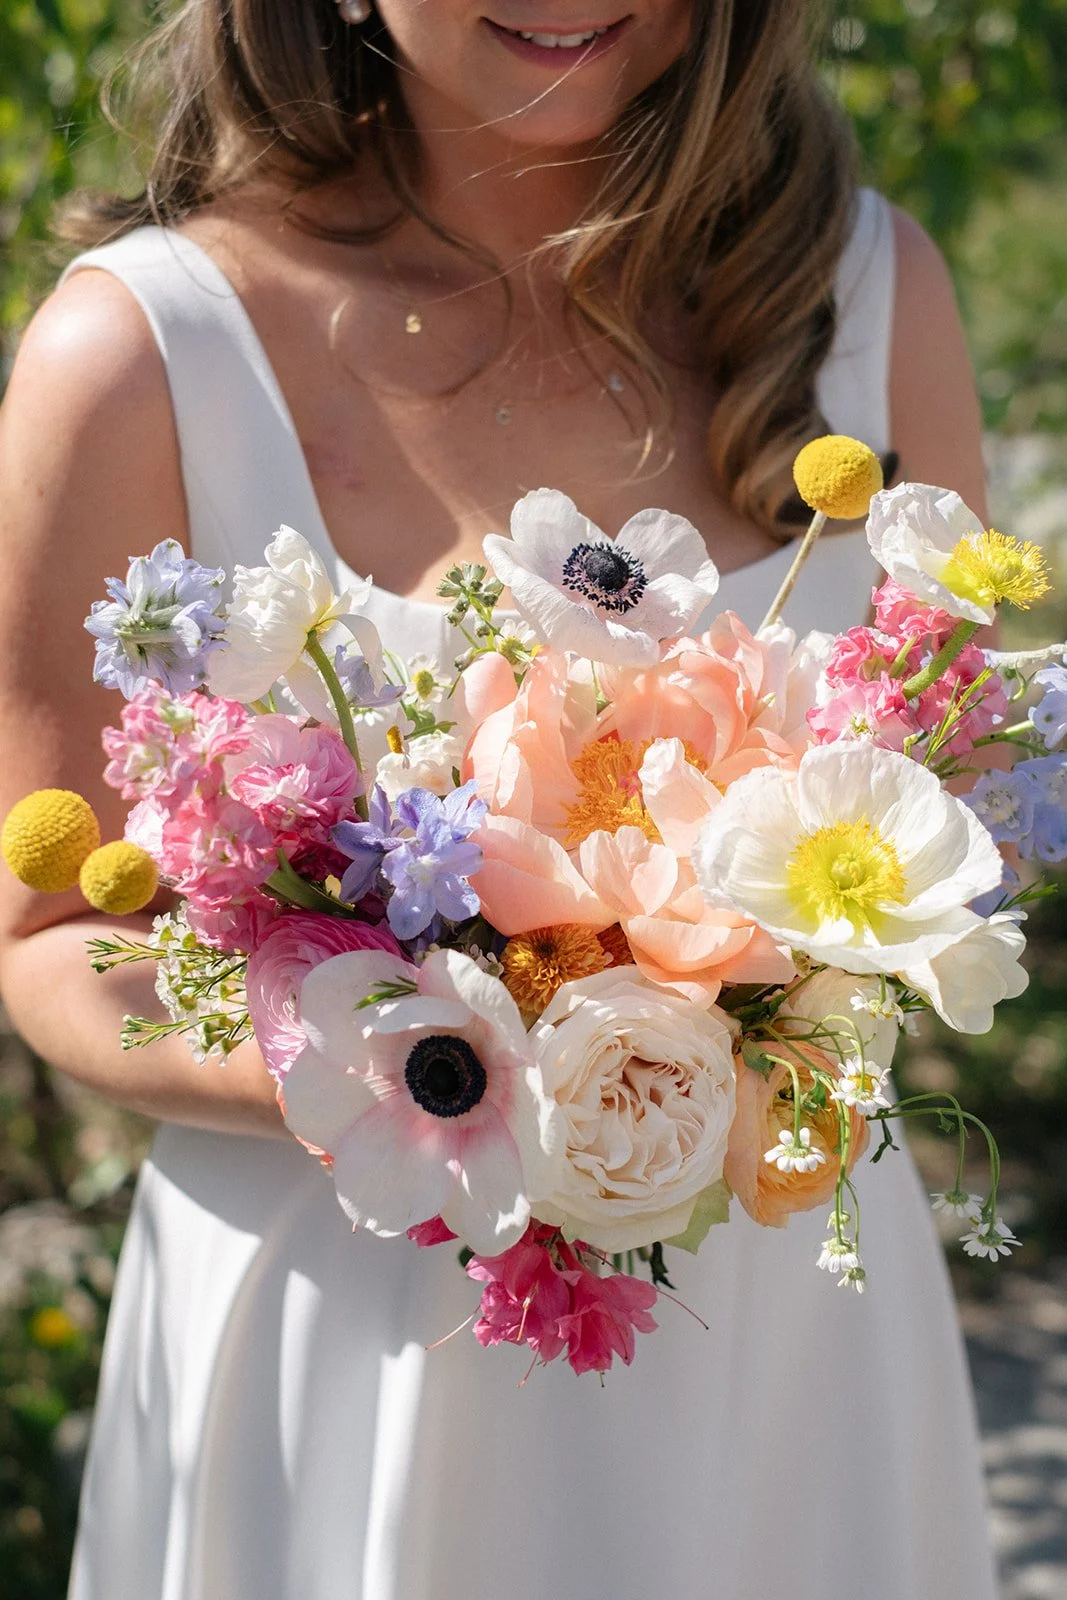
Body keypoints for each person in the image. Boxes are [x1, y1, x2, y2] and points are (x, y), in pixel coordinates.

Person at [0, 3, 1001, 1597]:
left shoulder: (870, 293)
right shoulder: (142, 353)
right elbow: (54, 932)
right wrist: (441, 1073)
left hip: (786, 1319)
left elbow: (945, 776)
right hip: (348, 1337)